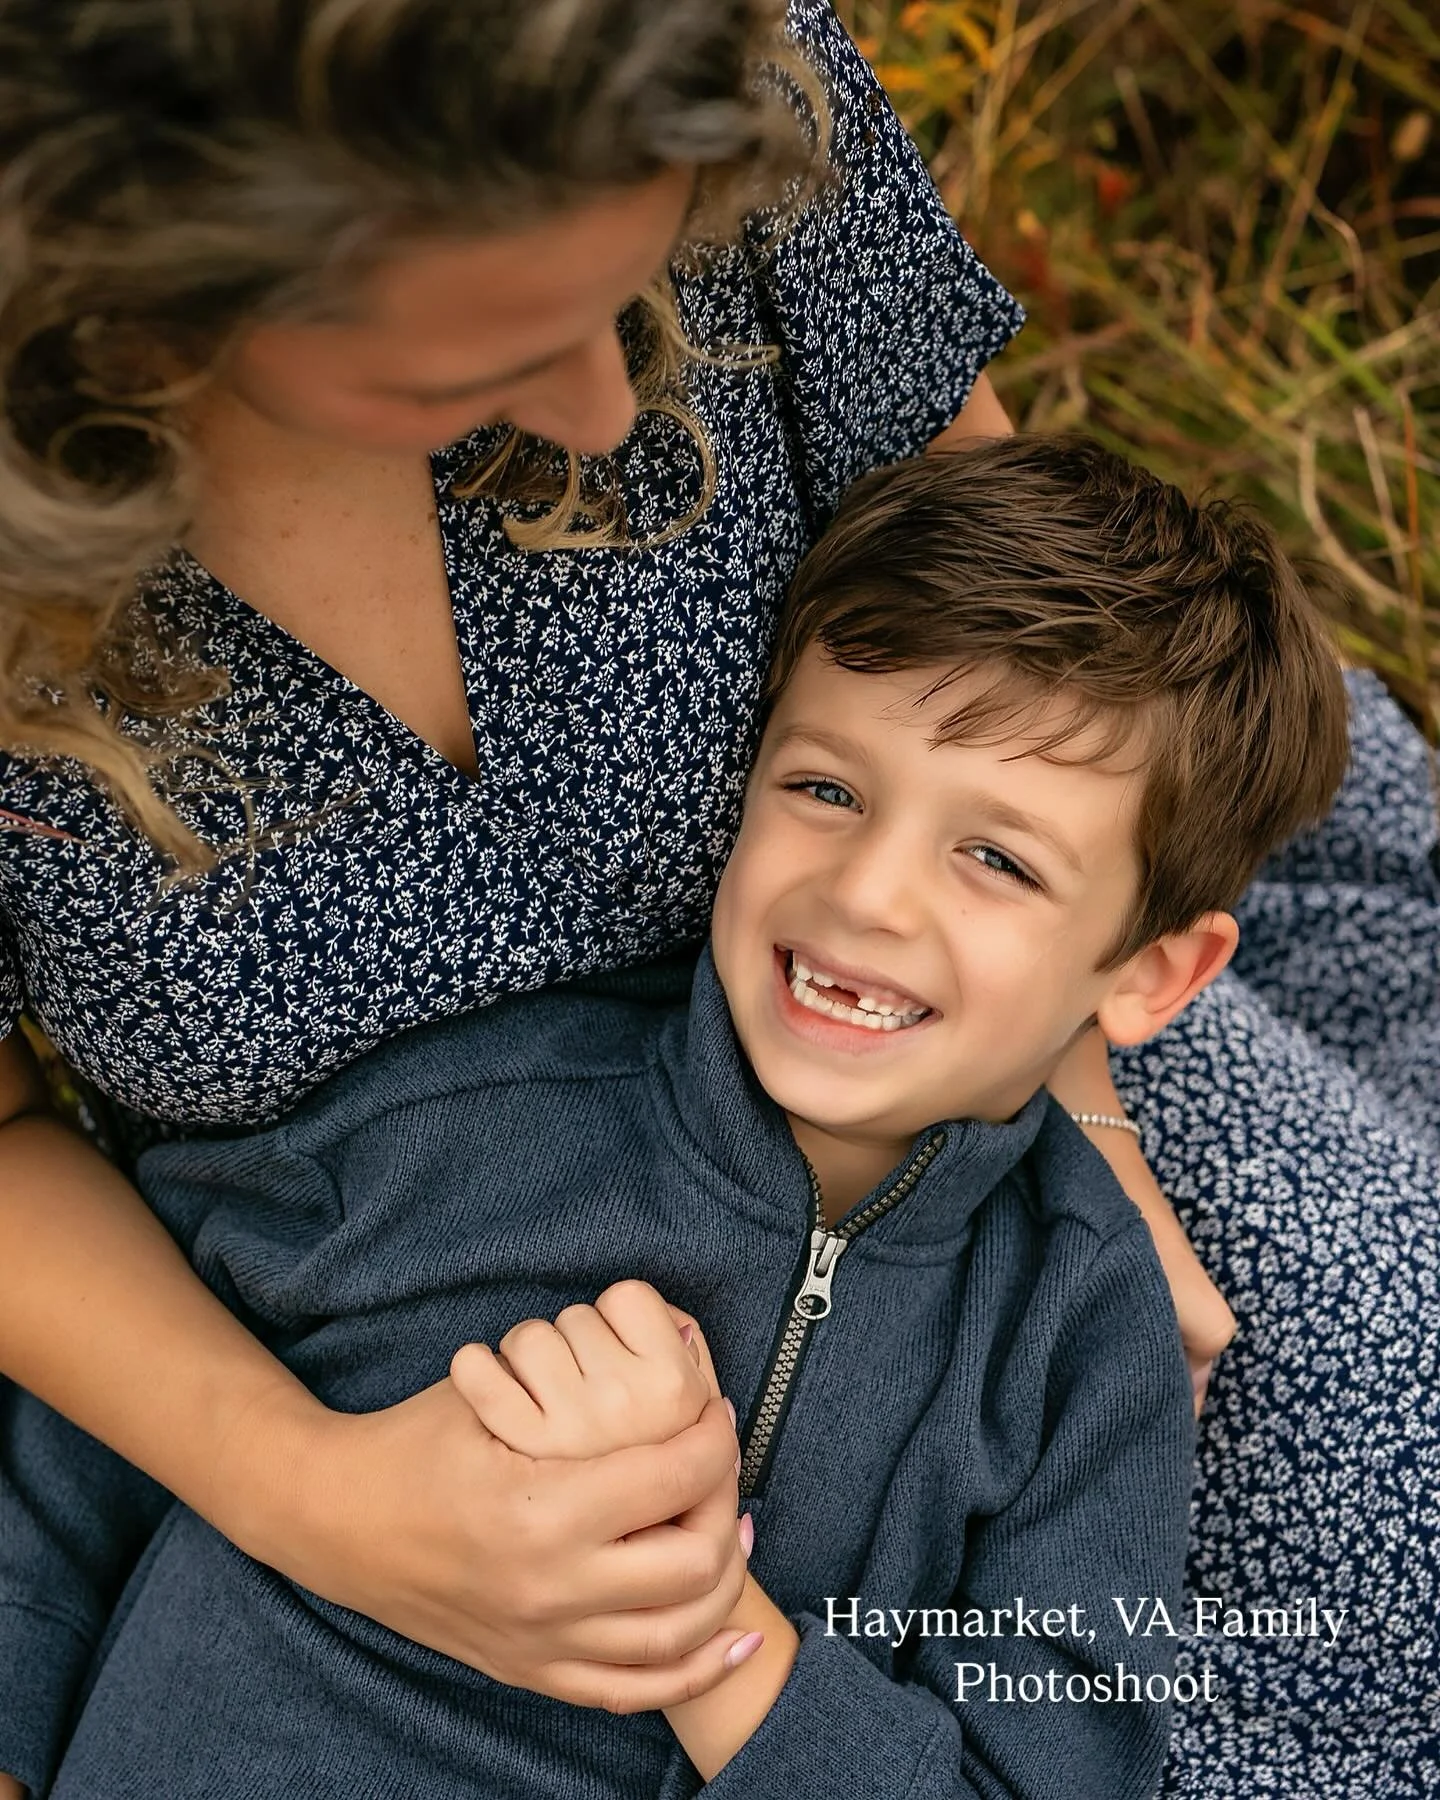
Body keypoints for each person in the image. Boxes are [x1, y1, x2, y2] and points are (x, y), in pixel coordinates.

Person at [0, 2, 1435, 1796]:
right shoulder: (390, 1170)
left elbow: (1014, 613)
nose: (613, 408)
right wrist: (313, 1500)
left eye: (626, 282)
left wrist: (1086, 1113)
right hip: (228, 1377)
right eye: (494, 340)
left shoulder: (1070, 1320)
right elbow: (66, 1471)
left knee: (1381, 1495)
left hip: (990, 1055)